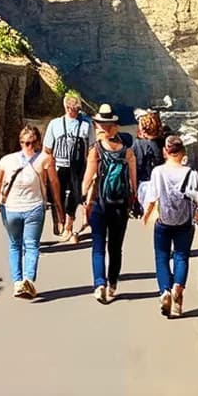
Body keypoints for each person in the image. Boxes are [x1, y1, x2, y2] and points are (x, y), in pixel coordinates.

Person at [0, 125, 63, 299]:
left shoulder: (6, 160)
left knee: (15, 245)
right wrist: (58, 206)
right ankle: (27, 280)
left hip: (13, 208)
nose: (28, 146)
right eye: (26, 143)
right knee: (30, 245)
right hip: (32, 208)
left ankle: (19, 283)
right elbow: (54, 183)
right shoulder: (45, 159)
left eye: (29, 143)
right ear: (38, 142)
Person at [141, 135, 198, 318]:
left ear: (165, 152)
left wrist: (146, 215)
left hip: (164, 222)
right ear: (183, 152)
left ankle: (165, 291)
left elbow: (152, 197)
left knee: (161, 257)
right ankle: (178, 288)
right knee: (181, 257)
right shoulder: (191, 173)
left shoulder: (158, 172)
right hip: (184, 222)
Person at [80, 103, 137, 304]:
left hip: (100, 203)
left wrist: (84, 199)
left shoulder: (95, 150)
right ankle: (112, 284)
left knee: (98, 247)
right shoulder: (127, 152)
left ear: (99, 125)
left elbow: (88, 179)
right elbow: (133, 183)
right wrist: (133, 201)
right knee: (115, 247)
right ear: (115, 126)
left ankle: (99, 284)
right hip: (120, 206)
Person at [42, 91, 93, 243]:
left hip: (78, 167)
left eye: (75, 108)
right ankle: (60, 220)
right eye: (70, 108)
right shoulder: (55, 124)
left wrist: (91, 169)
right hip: (59, 166)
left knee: (74, 196)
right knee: (56, 194)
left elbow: (91, 147)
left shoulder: (86, 125)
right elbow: (47, 149)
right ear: (65, 107)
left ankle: (68, 225)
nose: (73, 111)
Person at [132, 109, 166, 216]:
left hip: (145, 184)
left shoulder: (139, 144)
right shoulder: (164, 142)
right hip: (162, 184)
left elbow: (136, 166)